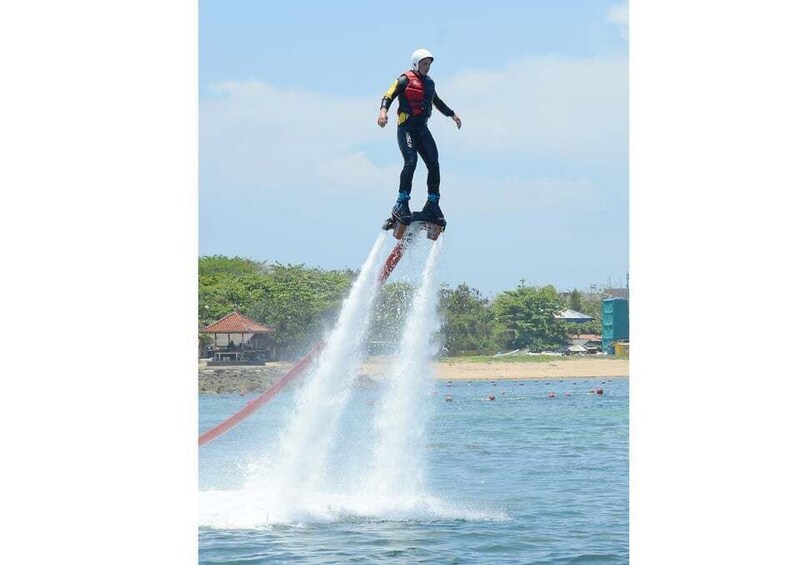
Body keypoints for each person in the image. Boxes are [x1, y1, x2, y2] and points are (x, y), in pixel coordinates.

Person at [377, 48, 462, 226]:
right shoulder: (404, 79)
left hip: (422, 129)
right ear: (416, 64)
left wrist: (452, 115)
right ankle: (401, 203)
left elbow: (436, 102)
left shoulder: (430, 83)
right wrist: (383, 112)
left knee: (434, 163)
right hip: (406, 128)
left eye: (429, 64)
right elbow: (388, 95)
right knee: (411, 162)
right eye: (424, 64)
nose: (427, 67)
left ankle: (432, 204)